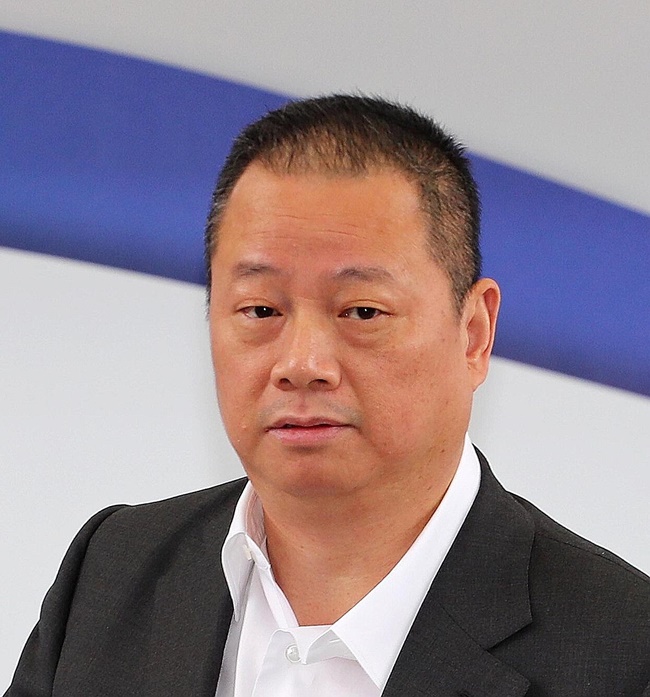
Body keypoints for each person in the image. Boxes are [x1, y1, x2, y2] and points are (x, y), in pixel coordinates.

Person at [6, 95, 649, 696]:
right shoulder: (110, 574)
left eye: (362, 311)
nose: (302, 365)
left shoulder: (625, 653)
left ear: (474, 333)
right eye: (261, 309)